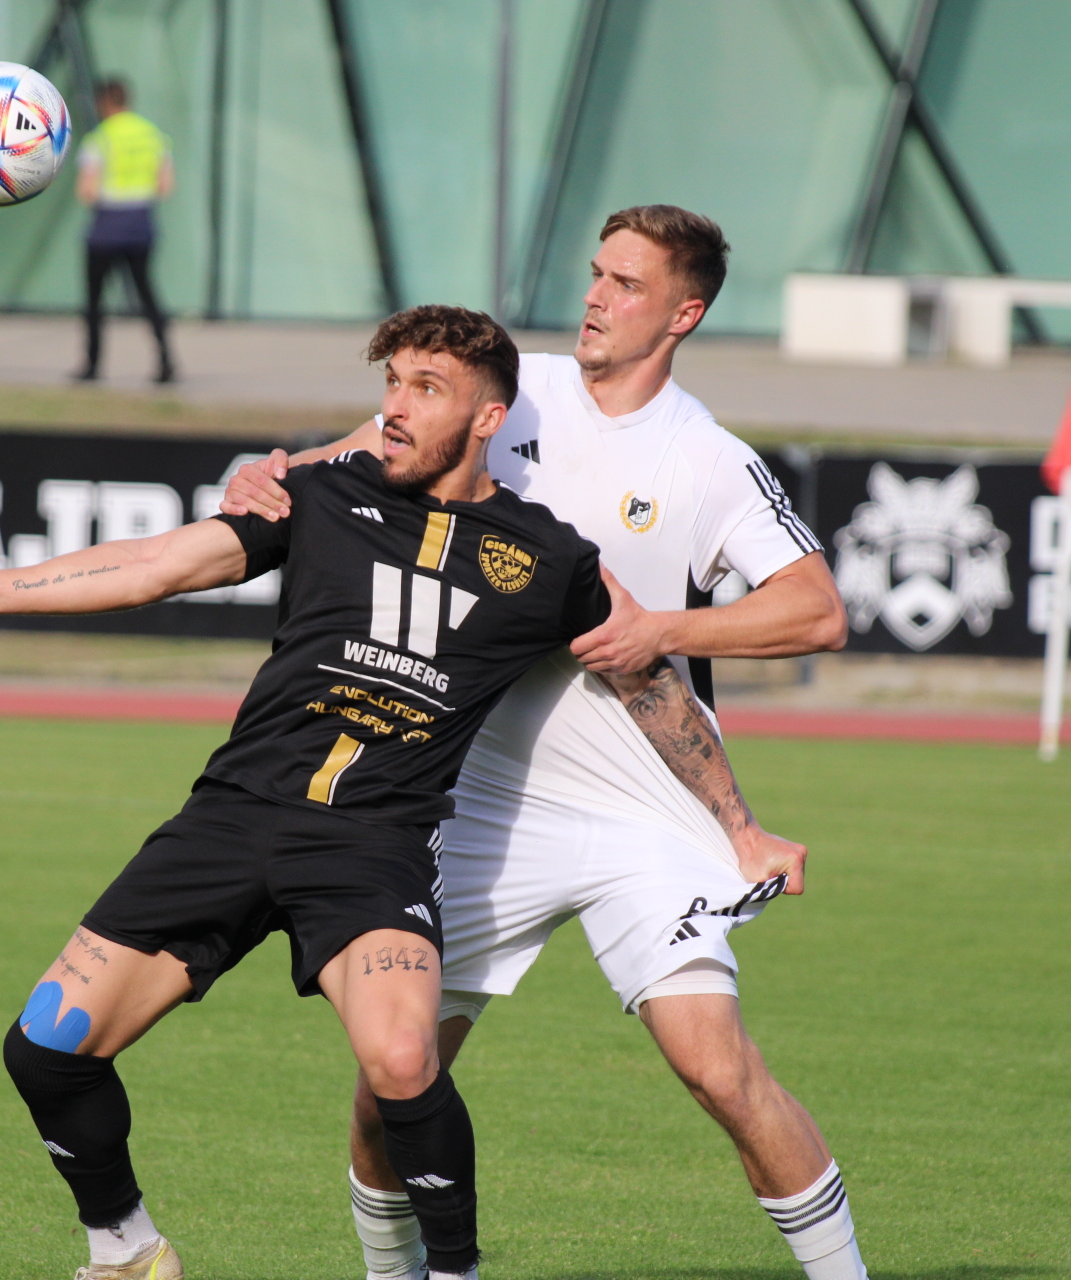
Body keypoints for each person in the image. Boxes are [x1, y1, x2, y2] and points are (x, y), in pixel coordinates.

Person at [0, 306, 801, 1280]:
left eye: (426, 388)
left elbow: (650, 682)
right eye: (392, 383)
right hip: (232, 815)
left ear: (489, 417)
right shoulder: (319, 496)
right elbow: (160, 563)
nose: (396, 406)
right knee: (46, 1047)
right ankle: (127, 1250)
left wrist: (741, 829)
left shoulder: (550, 559)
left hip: (373, 845)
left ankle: (452, 1272)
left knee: (403, 1061)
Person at [221, 207, 866, 1280]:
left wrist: (665, 629)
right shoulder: (514, 396)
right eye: (597, 274)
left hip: (647, 808)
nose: (596, 298)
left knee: (717, 1067)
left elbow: (818, 611)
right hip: (480, 802)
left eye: (626, 283)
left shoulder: (707, 459)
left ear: (684, 314)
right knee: (394, 1083)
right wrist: (265, 477)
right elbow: (339, 466)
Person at [75, 77, 176, 384]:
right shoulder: (152, 135)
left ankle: (92, 365)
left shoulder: (99, 138)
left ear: (104, 102)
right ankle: (166, 361)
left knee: (95, 300)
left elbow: (87, 191)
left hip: (107, 226)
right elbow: (165, 185)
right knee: (147, 294)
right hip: (140, 223)